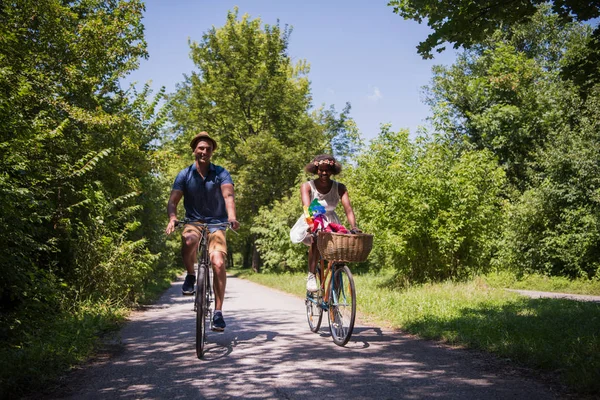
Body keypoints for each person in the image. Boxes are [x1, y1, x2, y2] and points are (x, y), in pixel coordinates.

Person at [165, 131, 240, 332]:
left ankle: (218, 312)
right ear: (194, 150)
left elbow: (229, 196)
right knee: (189, 240)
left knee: (218, 262)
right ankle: (190, 274)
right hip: (194, 221)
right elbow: (173, 201)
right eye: (201, 148)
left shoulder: (221, 173)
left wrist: (231, 217)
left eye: (208, 148)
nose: (204, 151)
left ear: (212, 152)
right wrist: (173, 218)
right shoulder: (185, 174)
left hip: (217, 223)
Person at [291, 154, 360, 291]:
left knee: (340, 252)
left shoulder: (340, 187)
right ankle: (311, 275)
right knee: (316, 241)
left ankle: (335, 288)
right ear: (315, 170)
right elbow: (306, 208)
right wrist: (311, 224)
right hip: (313, 218)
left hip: (330, 221)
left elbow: (348, 209)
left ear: (332, 171)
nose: (324, 173)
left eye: (327, 169)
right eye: (321, 170)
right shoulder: (307, 186)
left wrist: (354, 227)